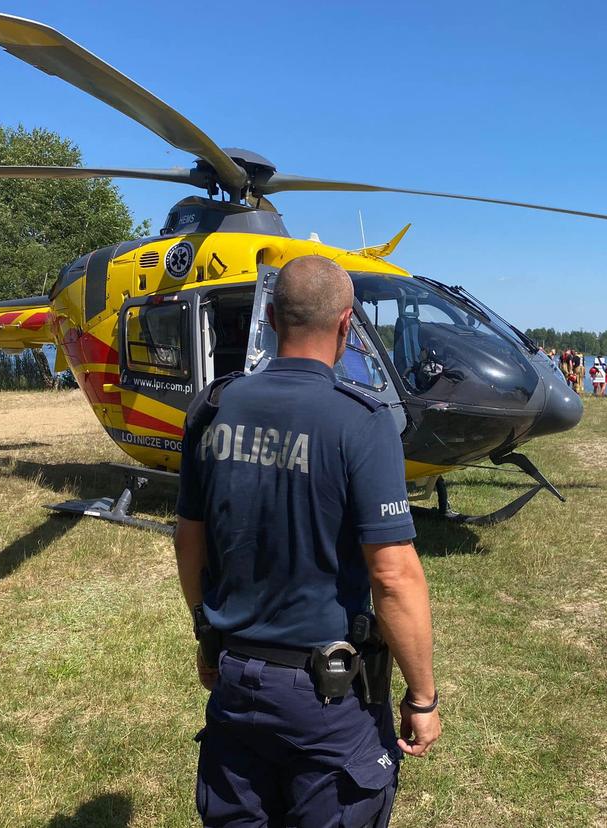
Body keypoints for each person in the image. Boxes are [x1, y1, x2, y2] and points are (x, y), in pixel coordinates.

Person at [174, 255, 440, 827]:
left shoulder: (214, 408)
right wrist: (422, 697)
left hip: (235, 682)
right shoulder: (362, 422)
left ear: (270, 317)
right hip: (326, 700)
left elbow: (188, 540)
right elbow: (392, 575)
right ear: (347, 326)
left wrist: (205, 633)